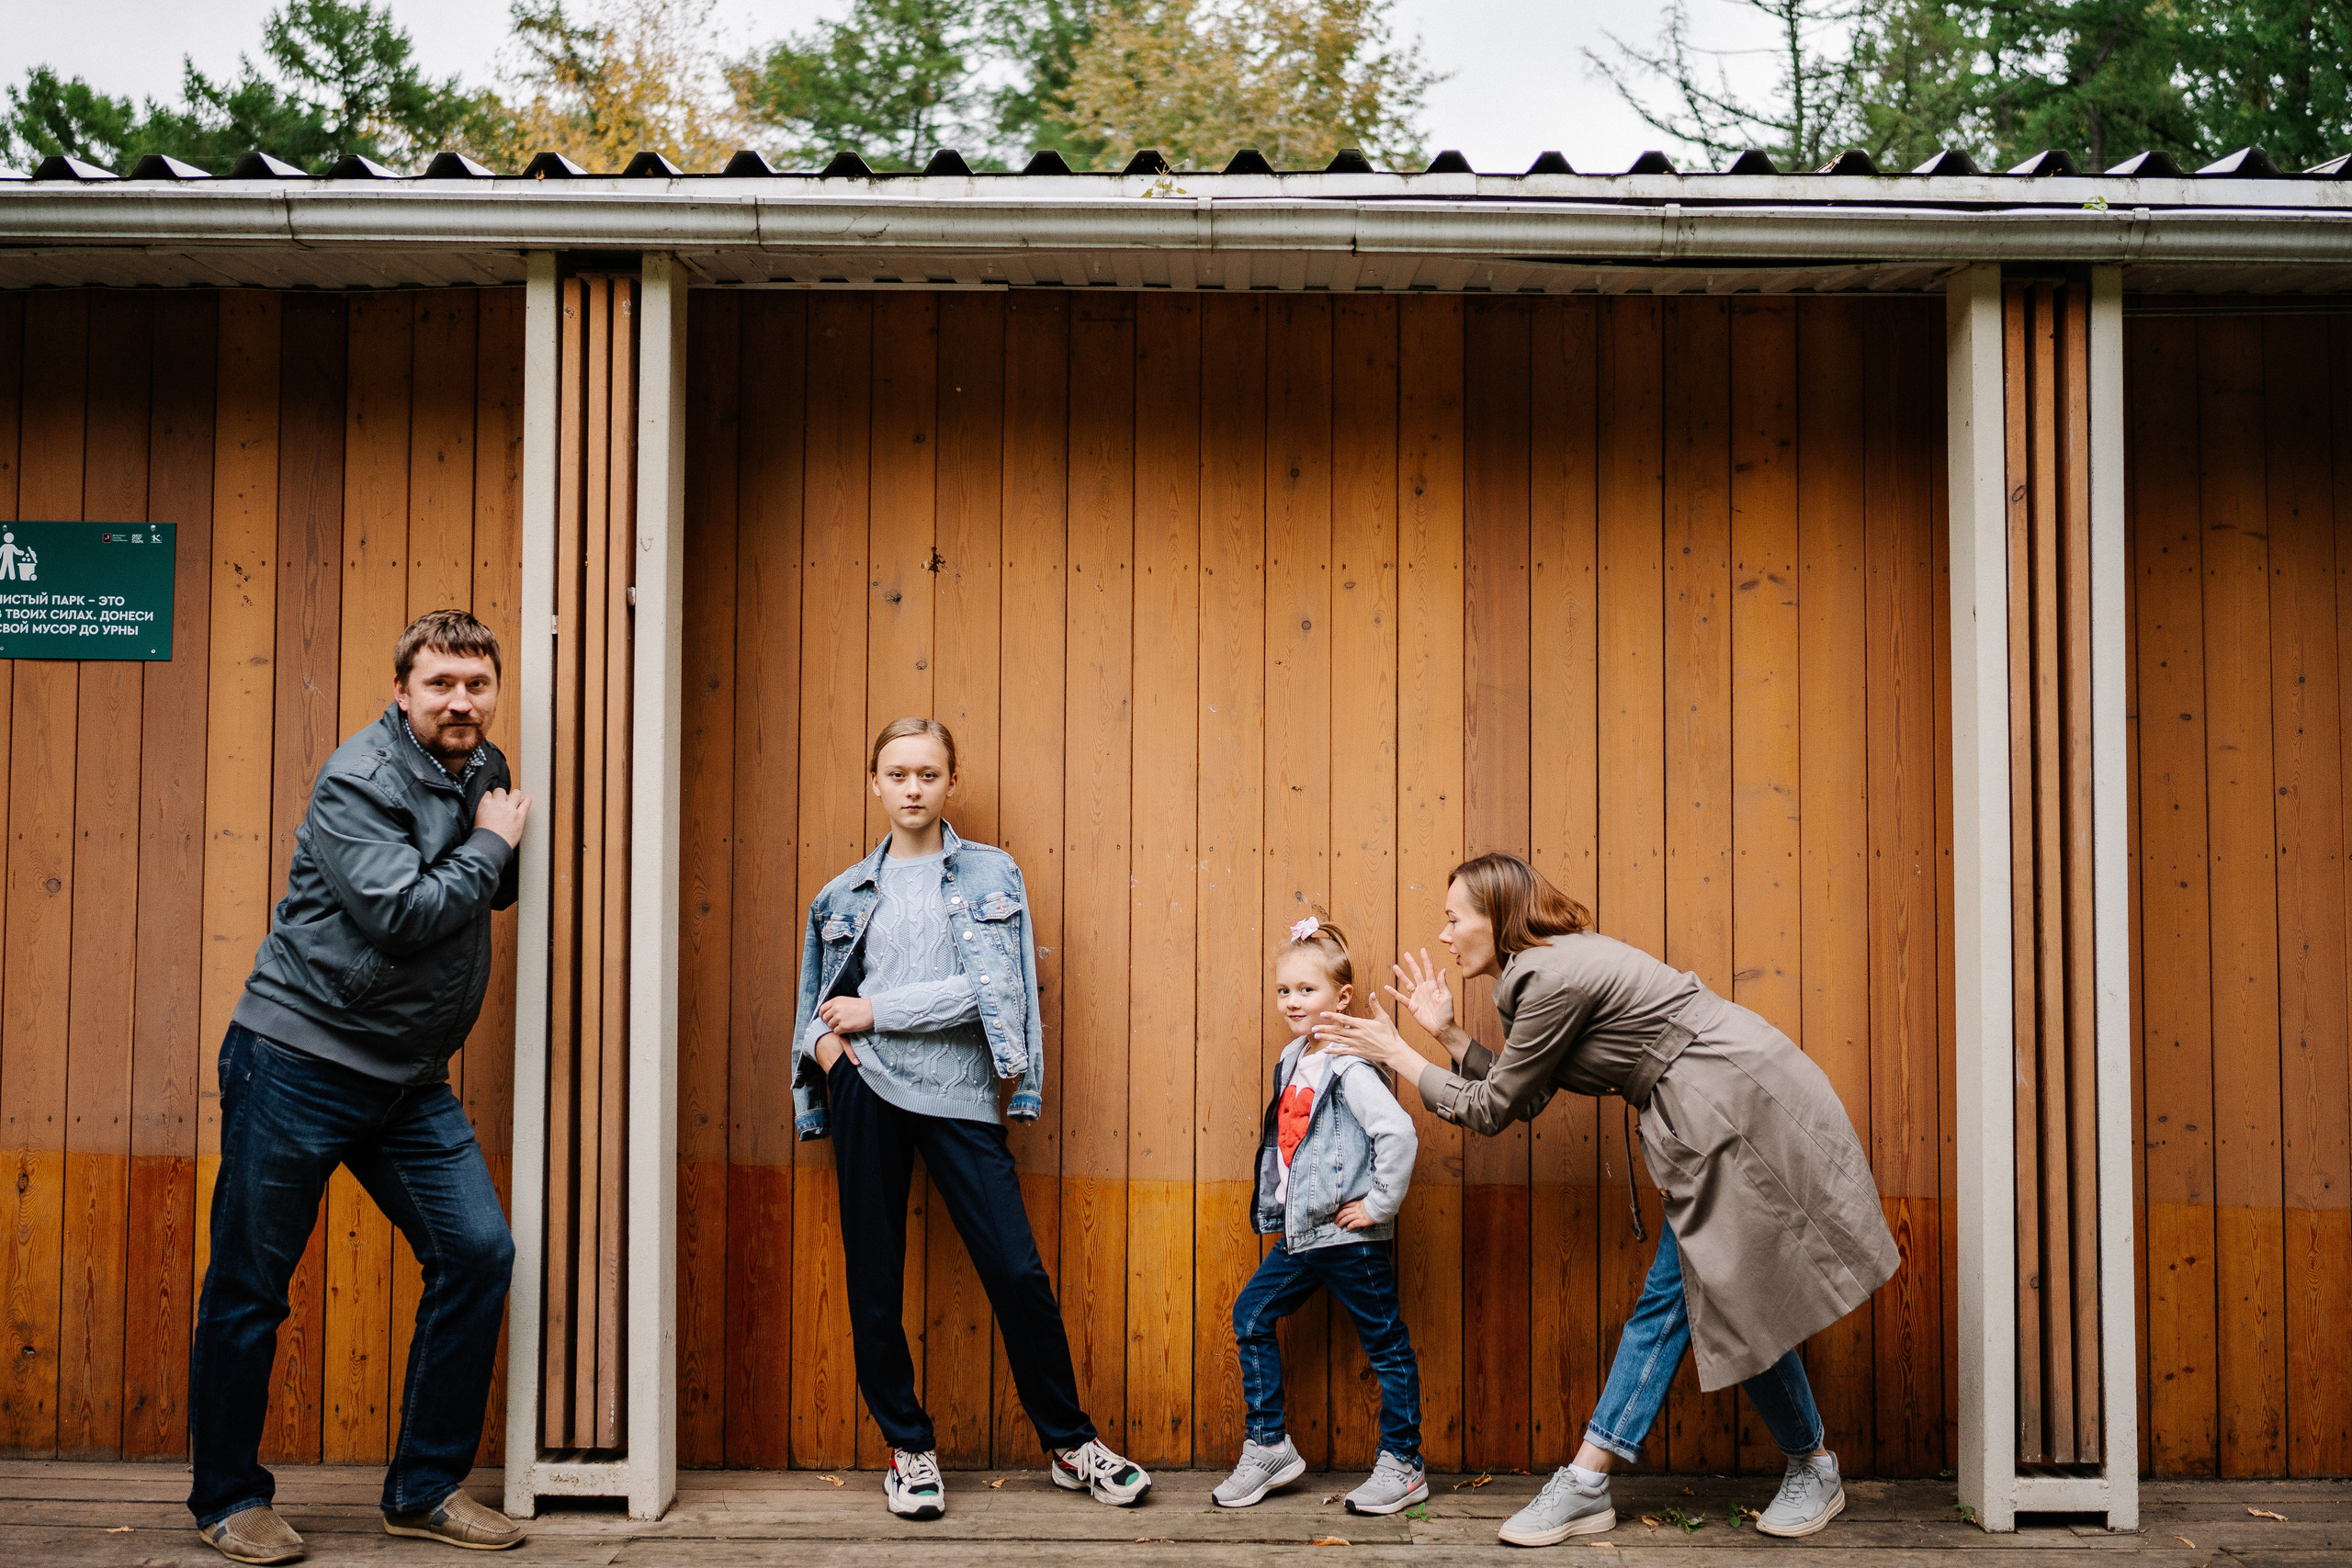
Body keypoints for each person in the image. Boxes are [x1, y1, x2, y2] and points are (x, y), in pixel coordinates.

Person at [1317, 852, 1899, 1546]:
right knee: (1719, 1288)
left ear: (1496, 916)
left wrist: (1401, 1055)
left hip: (1731, 1106)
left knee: (1678, 1293)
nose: (1444, 933)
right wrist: (1442, 1035)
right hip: (1716, 1100)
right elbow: (1523, 1094)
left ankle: (1590, 1477)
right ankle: (1808, 1462)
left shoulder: (1548, 975)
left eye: (1453, 917)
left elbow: (1496, 1108)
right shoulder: (1549, 968)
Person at [188, 609, 530, 1564]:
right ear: (402, 692)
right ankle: (226, 1498)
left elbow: (483, 894)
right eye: (441, 686)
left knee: (478, 1253)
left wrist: (487, 837)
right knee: (251, 1285)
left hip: (407, 1079)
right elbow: (404, 914)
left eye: (476, 685)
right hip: (297, 1060)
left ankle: (423, 1490)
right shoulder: (359, 778)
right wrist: (494, 842)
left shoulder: (484, 769)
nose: (461, 702)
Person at [791, 717, 1153, 1519]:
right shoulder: (841, 892)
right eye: (897, 773)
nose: (913, 787)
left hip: (957, 1094)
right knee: (874, 1280)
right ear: (875, 784)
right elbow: (814, 1007)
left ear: (952, 782)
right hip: (866, 1091)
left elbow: (998, 994)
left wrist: (875, 1010)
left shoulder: (993, 874)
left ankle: (1069, 1441)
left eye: (928, 773)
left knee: (1017, 1272)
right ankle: (909, 1450)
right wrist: (825, 1050)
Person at [1213, 915, 1425, 1517]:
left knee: (1385, 1344)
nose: (1291, 1000)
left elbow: (1398, 1132)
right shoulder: (1291, 1059)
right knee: (1252, 1314)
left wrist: (1379, 1204)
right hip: (1302, 1234)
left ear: (1342, 996)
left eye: (1306, 989)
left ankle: (1404, 1464)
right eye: (1284, 989)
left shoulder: (1349, 1066)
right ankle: (1269, 1444)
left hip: (1349, 1237)